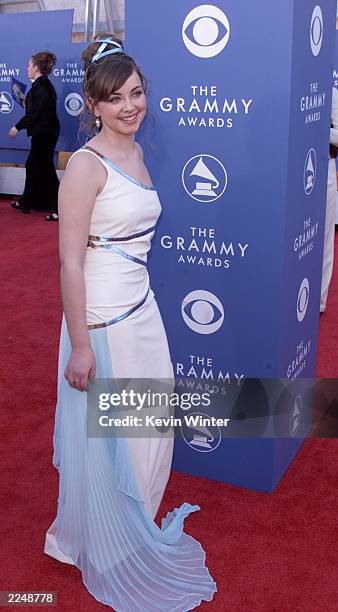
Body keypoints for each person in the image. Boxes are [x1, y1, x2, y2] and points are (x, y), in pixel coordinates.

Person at [44, 36, 216, 610]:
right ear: (93, 105)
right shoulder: (85, 167)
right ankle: (103, 540)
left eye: (137, 94)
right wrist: (81, 347)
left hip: (141, 309)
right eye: (114, 98)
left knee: (149, 427)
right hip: (103, 321)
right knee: (113, 436)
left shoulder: (138, 154)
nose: (129, 106)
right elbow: (70, 260)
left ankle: (132, 523)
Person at [8, 51, 60, 221]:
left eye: (29, 65)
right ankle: (29, 202)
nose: (27, 68)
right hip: (44, 132)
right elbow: (37, 108)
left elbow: (36, 112)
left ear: (36, 68)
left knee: (43, 169)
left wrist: (17, 126)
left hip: (45, 132)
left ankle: (59, 207)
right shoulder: (41, 86)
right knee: (36, 167)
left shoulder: (42, 87)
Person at [320, 86, 338, 312]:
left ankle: (318, 302)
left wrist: (315, 129)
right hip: (287, 175)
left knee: (324, 236)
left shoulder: (331, 92)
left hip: (323, 169)